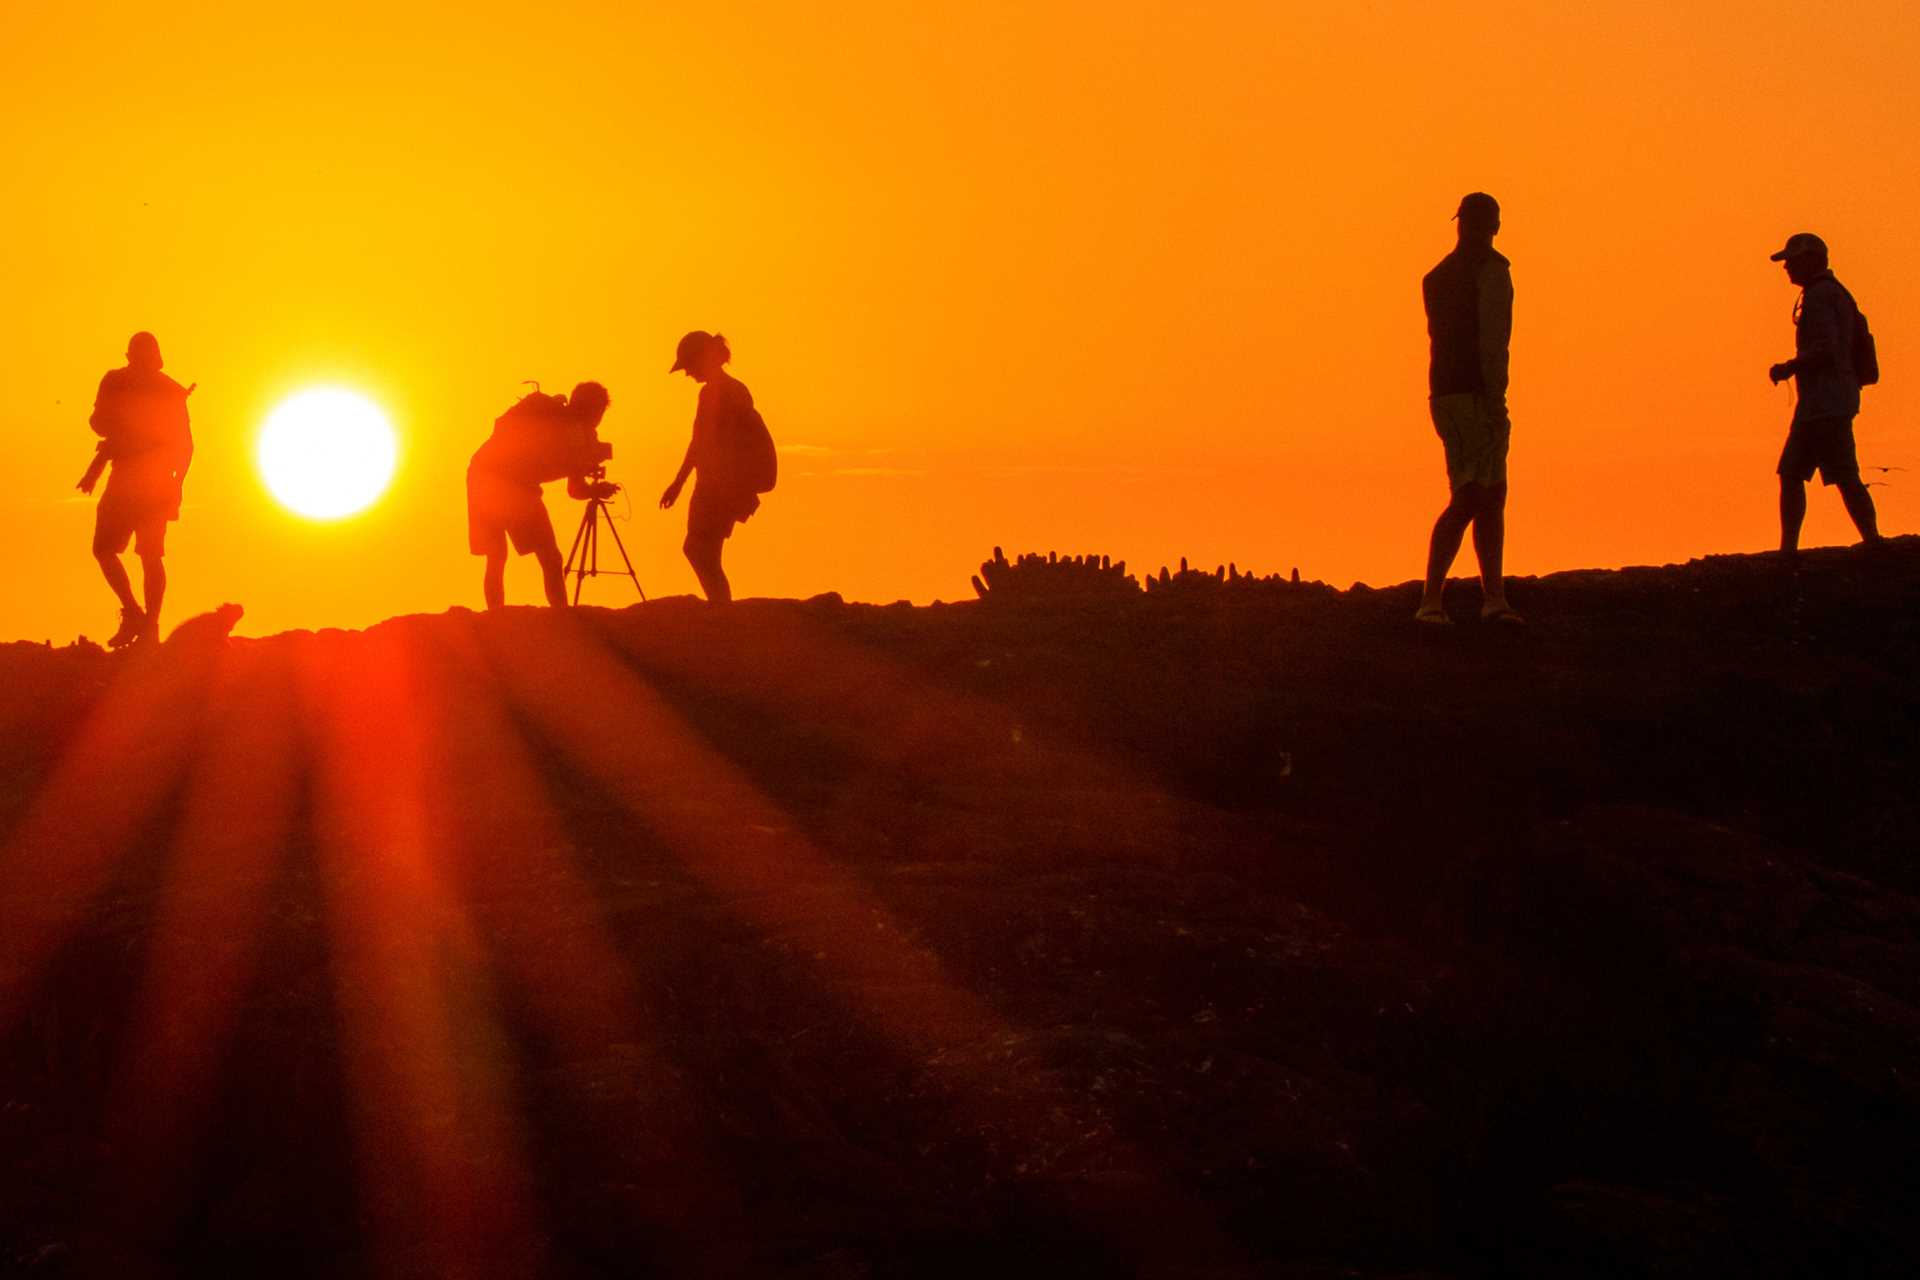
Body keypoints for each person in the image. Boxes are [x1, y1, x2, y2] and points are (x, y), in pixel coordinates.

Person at [1416, 192, 1522, 626]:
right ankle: (1436, 601)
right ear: (1494, 225)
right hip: (1476, 395)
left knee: (1485, 493)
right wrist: (1495, 398)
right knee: (1475, 496)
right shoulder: (1494, 273)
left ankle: (1489, 597)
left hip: (1445, 394)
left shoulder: (1436, 277)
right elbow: (1492, 342)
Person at [78, 332, 193, 648]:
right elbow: (99, 423)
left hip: (145, 482)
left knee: (146, 555)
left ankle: (144, 622)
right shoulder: (127, 384)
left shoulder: (166, 390)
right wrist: (176, 483)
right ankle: (139, 618)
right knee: (122, 552)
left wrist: (176, 484)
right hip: (139, 480)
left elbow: (185, 446)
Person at [1767, 232, 1880, 553]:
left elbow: (1826, 348)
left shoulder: (1819, 296)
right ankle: (1869, 540)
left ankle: (1870, 541)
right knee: (1801, 472)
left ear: (1810, 260)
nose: (1786, 267)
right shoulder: (1835, 294)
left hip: (1825, 402)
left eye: (1791, 260)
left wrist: (1790, 366)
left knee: (1826, 473)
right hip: (1828, 400)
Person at [467, 381, 614, 609]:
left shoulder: (566, 426)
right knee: (540, 557)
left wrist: (594, 488)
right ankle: (559, 616)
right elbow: (575, 489)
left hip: (487, 477)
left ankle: (506, 618)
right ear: (592, 410)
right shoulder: (570, 431)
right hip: (499, 482)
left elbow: (575, 489)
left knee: (499, 557)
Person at [660, 331, 769, 604]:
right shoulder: (733, 389)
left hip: (718, 486)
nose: (687, 374)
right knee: (702, 551)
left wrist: (679, 483)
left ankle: (720, 608)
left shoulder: (717, 392)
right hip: (718, 483)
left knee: (698, 550)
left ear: (701, 359)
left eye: (688, 366)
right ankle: (720, 606)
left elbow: (702, 441)